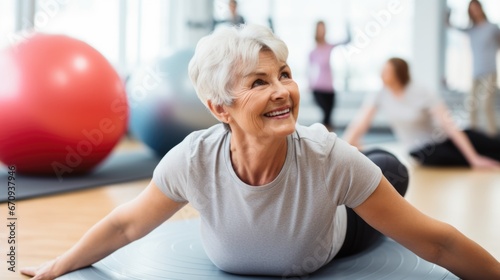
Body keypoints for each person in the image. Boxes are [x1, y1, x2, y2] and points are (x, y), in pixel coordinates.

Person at [22, 25, 500, 280]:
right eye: (258, 82)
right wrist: (58, 264)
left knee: (387, 168)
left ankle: (374, 163)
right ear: (219, 108)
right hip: (325, 171)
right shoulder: (192, 160)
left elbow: (438, 244)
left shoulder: (328, 158)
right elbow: (126, 223)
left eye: (284, 75)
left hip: (341, 228)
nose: (281, 91)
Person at [344, 57, 500, 168]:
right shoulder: (379, 94)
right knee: (477, 158)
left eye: (386, 71)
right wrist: (342, 149)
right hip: (423, 151)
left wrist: (474, 158)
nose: (381, 75)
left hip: (443, 139)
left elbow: (449, 125)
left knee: (484, 142)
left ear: (398, 74)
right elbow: (360, 124)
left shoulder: (421, 91)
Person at [448, 0, 500, 136]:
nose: (474, 11)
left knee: (485, 105)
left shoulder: (492, 28)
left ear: (481, 9)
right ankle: (475, 138)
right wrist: (448, 13)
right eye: (472, 9)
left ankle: (493, 139)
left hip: (490, 72)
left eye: (476, 8)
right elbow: (451, 26)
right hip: (476, 73)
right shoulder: (471, 30)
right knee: (470, 106)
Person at [308, 20, 350, 131]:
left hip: (330, 88)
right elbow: (309, 71)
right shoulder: (313, 51)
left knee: (329, 117)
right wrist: (309, 85)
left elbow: (347, 41)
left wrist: (348, 25)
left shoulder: (329, 46)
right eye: (320, 29)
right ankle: (325, 137)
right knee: (326, 115)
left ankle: (327, 139)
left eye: (323, 28)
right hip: (318, 88)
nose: (322, 31)